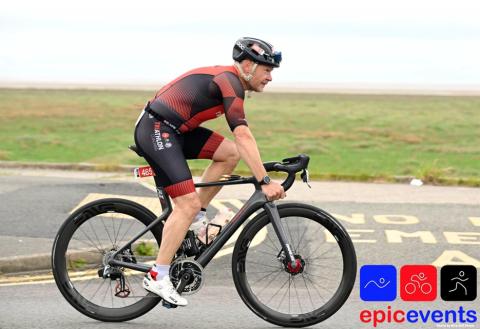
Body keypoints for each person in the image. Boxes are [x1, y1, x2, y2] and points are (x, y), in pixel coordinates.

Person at [134, 37, 285, 306]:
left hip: (175, 130)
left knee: (229, 154)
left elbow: (239, 144)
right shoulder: (229, 82)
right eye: (267, 69)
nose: (270, 77)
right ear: (248, 65)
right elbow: (243, 134)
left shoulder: (232, 81)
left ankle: (196, 218)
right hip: (157, 129)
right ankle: (158, 275)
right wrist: (264, 180)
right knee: (186, 203)